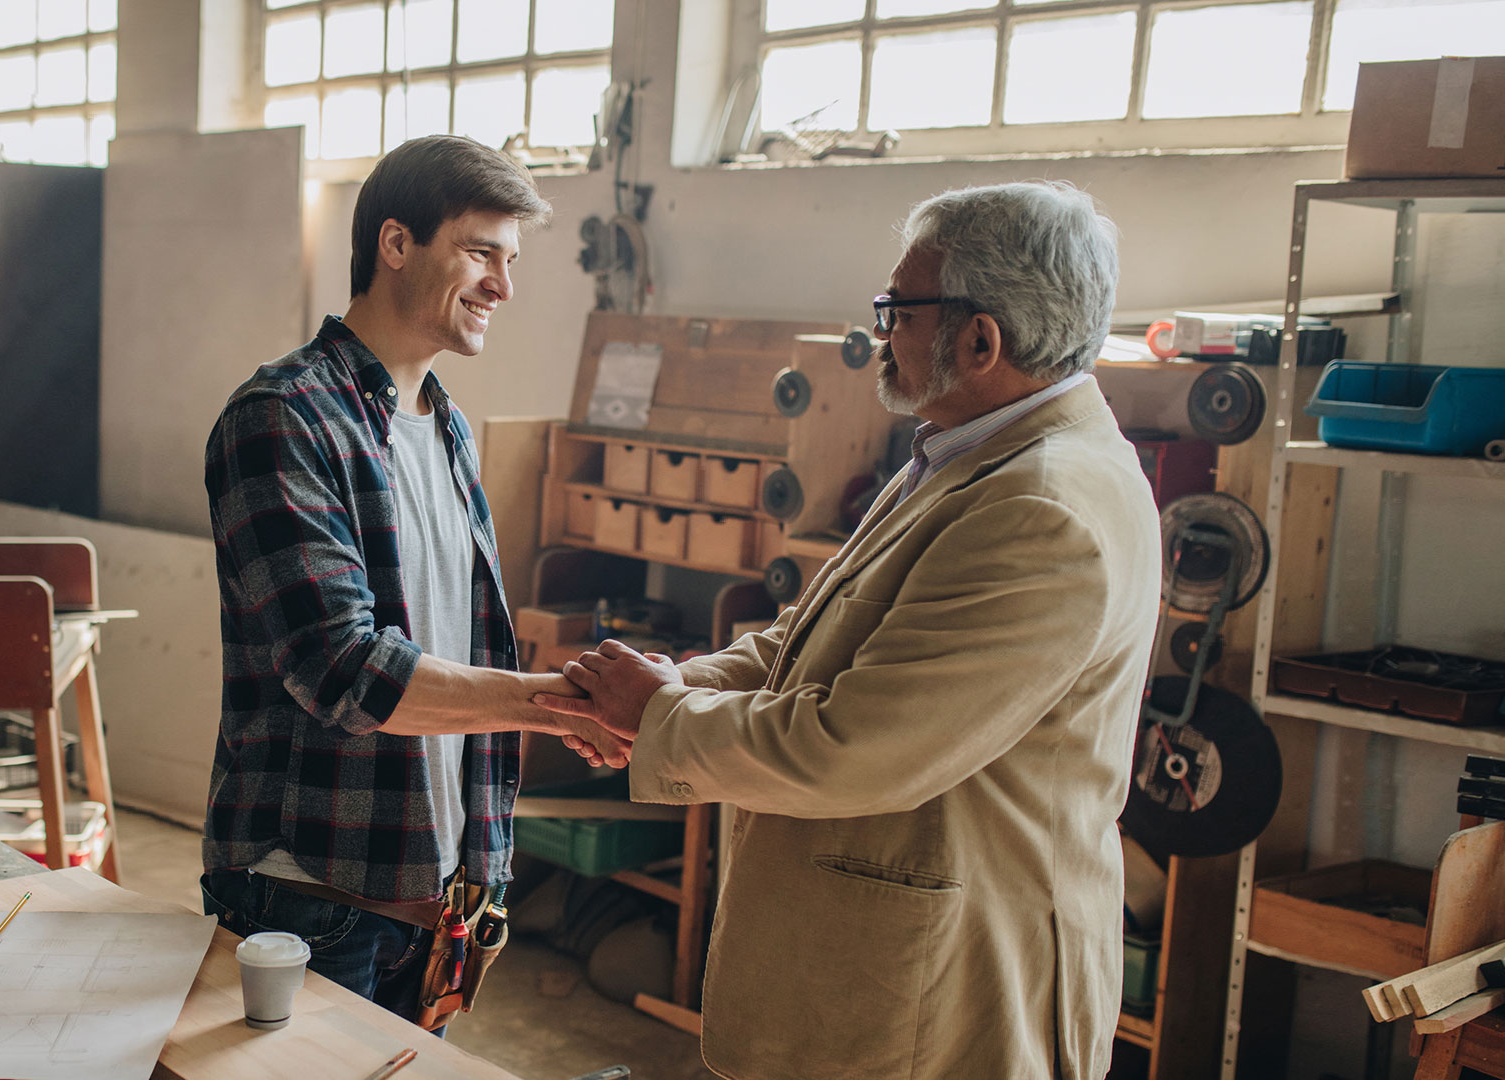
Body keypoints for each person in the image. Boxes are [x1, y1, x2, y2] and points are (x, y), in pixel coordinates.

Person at [537, 181, 1161, 1079]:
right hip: (885, 966)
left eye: (898, 309)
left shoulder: (1042, 506)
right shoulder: (969, 454)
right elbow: (811, 640)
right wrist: (673, 687)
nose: (880, 332)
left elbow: (855, 744)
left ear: (981, 339)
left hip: (943, 991)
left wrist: (660, 718)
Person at [201, 135, 622, 1024]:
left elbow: (460, 644)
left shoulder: (448, 427)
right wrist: (556, 702)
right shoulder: (282, 419)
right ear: (397, 244)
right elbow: (343, 668)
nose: (503, 287)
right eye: (481, 252)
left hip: (438, 891)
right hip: (309, 892)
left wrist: (482, 868)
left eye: (510, 261)